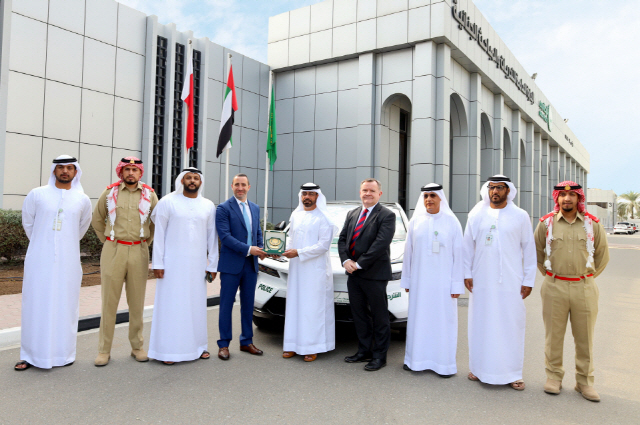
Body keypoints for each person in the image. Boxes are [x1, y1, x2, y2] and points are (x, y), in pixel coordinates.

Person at [15, 155, 92, 371]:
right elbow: (29, 224)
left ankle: (63, 355)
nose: (65, 171)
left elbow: (81, 229)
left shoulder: (82, 200)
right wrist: (45, 243)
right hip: (39, 260)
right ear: (54, 171)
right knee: (35, 305)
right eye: (61, 168)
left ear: (76, 172)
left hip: (68, 262)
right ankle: (30, 355)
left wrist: (62, 244)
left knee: (65, 306)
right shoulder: (37, 194)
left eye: (69, 168)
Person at [534, 181, 609, 402]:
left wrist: (584, 279)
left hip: (584, 287)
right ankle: (554, 377)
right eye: (562, 196)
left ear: (578, 198)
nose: (567, 199)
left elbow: (602, 257)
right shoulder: (546, 224)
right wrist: (553, 278)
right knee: (553, 336)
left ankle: (584, 382)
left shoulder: (591, 224)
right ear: (556, 198)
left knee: (585, 337)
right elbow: (538, 255)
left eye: (572, 196)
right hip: (554, 285)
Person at [463, 175, 536, 390]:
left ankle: (513, 373)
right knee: (481, 323)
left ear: (508, 191)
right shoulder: (476, 214)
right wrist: (466, 273)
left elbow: (529, 249)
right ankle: (478, 368)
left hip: (511, 281)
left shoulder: (520, 216)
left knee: (510, 324)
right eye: (492, 188)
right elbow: (467, 247)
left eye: (500, 188)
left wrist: (528, 279)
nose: (495, 192)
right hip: (481, 280)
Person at [91, 157, 158, 366]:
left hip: (138, 250)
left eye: (134, 170)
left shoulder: (150, 195)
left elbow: (156, 221)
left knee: (137, 302)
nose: (131, 173)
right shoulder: (110, 193)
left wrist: (146, 242)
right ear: (121, 172)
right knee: (109, 303)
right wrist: (109, 241)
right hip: (114, 250)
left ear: (140, 173)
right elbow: (97, 219)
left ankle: (137, 347)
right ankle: (104, 350)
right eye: (127, 169)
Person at [148, 168, 218, 365]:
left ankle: (198, 347)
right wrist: (158, 263)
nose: (192, 181)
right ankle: (168, 351)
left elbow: (212, 237)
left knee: (195, 306)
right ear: (182, 180)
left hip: (197, 266)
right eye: (189, 177)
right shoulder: (167, 202)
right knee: (172, 306)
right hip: (172, 264)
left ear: (200, 182)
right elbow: (159, 236)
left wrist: (212, 264)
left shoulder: (208, 205)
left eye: (196, 178)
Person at [401, 183, 464, 376]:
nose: (429, 199)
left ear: (440, 198)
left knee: (443, 321)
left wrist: (456, 284)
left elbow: (459, 256)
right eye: (426, 196)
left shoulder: (452, 222)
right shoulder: (415, 222)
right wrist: (407, 281)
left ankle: (443, 364)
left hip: (443, 284)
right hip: (420, 283)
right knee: (419, 320)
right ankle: (415, 360)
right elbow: (408, 254)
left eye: (433, 196)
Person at [338, 178, 396, 371]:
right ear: (360, 192)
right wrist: (346, 261)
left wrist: (359, 264)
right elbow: (343, 239)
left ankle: (380, 356)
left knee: (380, 317)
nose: (367, 194)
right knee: (359, 315)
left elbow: (380, 244)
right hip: (353, 275)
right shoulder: (352, 213)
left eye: (372, 190)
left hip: (374, 274)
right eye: (364, 190)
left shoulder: (387, 215)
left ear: (379, 193)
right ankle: (364, 351)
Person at [281, 183, 338, 362]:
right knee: (295, 306)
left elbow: (323, 246)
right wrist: (282, 250)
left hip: (316, 271)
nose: (307, 197)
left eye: (311, 194)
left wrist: (298, 252)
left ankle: (312, 347)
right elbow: (291, 238)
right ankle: (292, 345)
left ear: (317, 197)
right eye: (304, 193)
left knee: (312, 309)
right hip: (297, 269)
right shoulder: (296, 215)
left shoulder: (324, 218)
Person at [215, 173, 265, 360]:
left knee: (248, 305)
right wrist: (249, 249)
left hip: (250, 265)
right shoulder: (223, 208)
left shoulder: (254, 208)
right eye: (237, 184)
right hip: (231, 265)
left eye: (243, 184)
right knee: (226, 305)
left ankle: (246, 341)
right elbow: (225, 237)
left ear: (249, 187)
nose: (240, 188)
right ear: (232, 186)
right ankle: (224, 344)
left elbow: (257, 231)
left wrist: (260, 248)